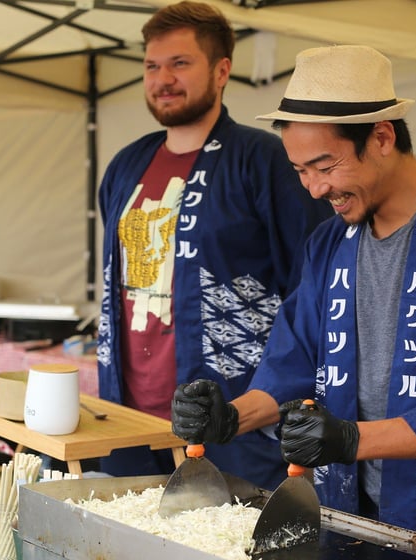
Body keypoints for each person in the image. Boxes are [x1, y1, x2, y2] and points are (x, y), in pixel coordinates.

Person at [171, 45, 416, 555]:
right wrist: (230, 417)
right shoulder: (329, 243)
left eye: (325, 165)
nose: (314, 188)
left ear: (382, 137)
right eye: (300, 170)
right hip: (343, 515)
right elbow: (293, 362)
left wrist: (350, 439)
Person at [96, 1, 333, 491]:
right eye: (152, 66)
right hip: (129, 416)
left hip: (235, 419)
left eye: (180, 63)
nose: (163, 79)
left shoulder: (262, 159)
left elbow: (315, 288)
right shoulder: (125, 165)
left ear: (222, 71)